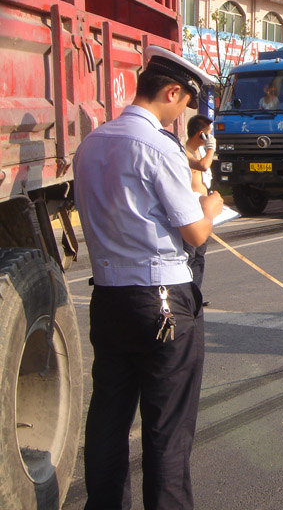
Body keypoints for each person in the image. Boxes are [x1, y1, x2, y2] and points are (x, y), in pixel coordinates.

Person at [73, 45, 222, 509]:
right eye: (183, 104)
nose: (181, 115)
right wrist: (213, 204)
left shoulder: (91, 143)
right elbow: (195, 232)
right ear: (172, 91)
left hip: (109, 297)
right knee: (167, 432)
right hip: (161, 300)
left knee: (108, 420)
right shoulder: (159, 146)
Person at [184, 114, 216, 300]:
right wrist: (211, 149)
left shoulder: (202, 152)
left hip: (203, 210)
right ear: (200, 134)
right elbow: (203, 166)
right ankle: (185, 295)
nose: (211, 138)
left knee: (199, 256)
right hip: (190, 210)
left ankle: (196, 294)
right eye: (209, 134)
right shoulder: (184, 151)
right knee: (188, 255)